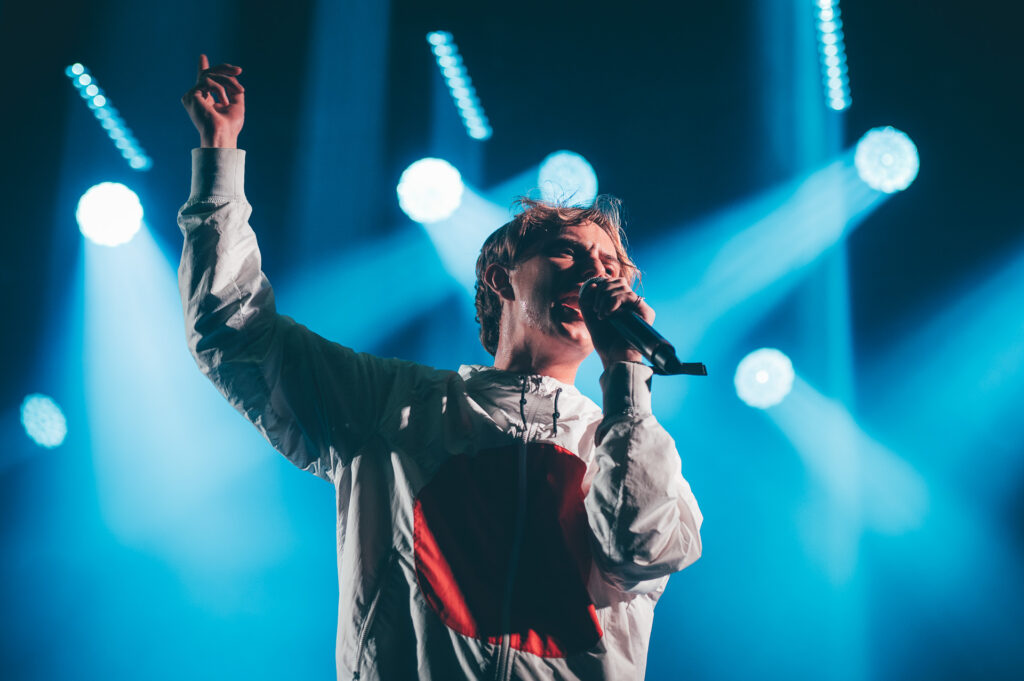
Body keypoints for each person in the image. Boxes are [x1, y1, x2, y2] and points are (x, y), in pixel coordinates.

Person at [179, 54, 702, 681]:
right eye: (568, 253)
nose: (597, 274)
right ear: (502, 278)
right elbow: (234, 331)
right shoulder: (393, 404)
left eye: (612, 268)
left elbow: (636, 551)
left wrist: (627, 379)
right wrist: (219, 158)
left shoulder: (631, 441)